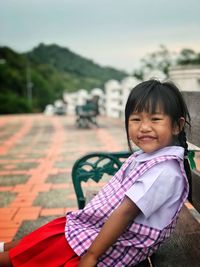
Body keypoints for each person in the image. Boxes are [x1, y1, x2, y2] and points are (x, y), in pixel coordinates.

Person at [0, 79, 192, 267]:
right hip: (97, 227)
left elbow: (125, 214)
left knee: (36, 252)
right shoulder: (150, 157)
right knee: (44, 238)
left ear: (177, 125)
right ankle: (5, 248)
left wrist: (91, 257)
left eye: (155, 119)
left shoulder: (163, 172)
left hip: (116, 242)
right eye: (136, 119)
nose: (144, 127)